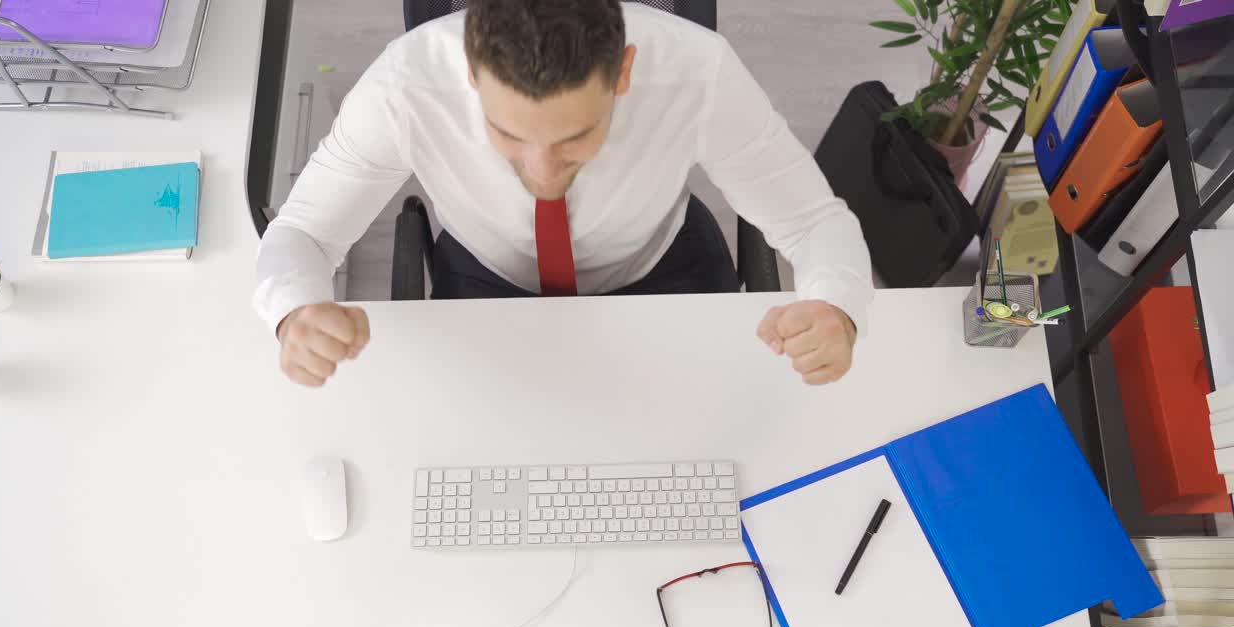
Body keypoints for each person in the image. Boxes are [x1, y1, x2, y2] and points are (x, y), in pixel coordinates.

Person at [255, 0, 874, 388]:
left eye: (577, 137)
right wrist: (295, 310)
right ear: (471, 73)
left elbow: (816, 220)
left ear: (624, 72)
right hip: (487, 280)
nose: (544, 171)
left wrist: (836, 306)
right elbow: (302, 233)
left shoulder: (698, 70)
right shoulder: (404, 84)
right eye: (508, 133)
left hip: (663, 270)